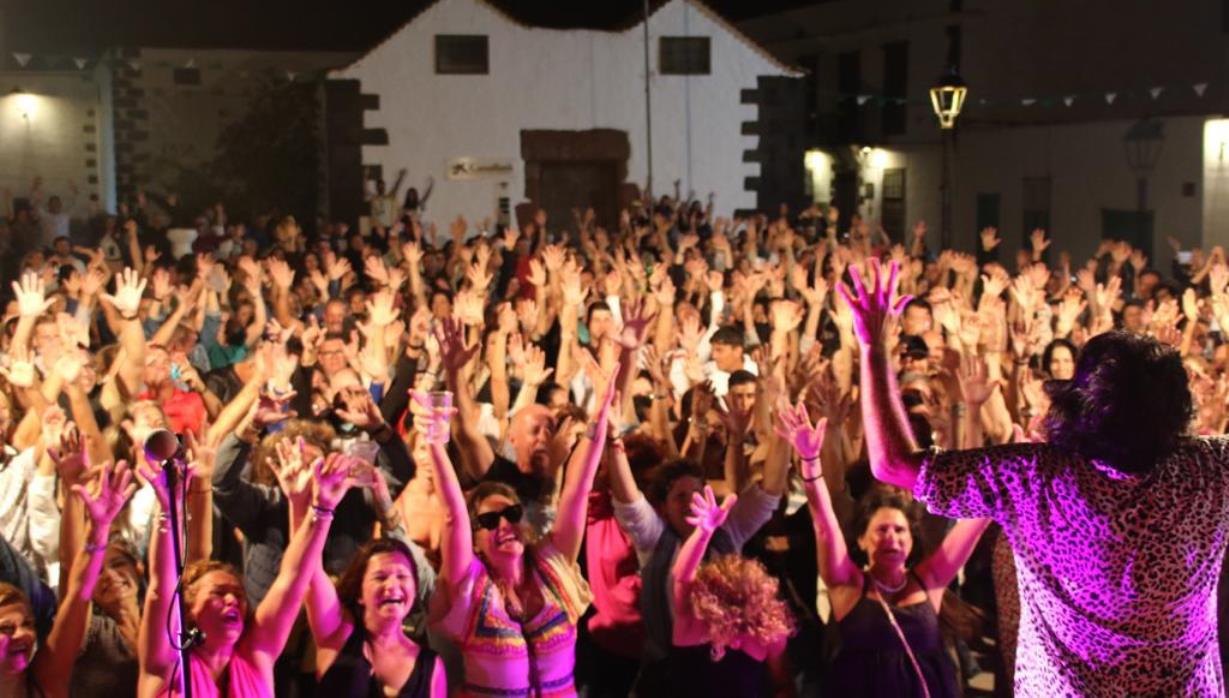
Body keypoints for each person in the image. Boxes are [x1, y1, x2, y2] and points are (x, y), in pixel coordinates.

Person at [840, 258, 1229, 696]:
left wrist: (873, 347)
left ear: (1082, 406)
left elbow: (892, 464)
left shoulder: (1034, 477)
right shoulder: (1211, 467)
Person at [419, 367, 615, 698]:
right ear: (475, 541)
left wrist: (602, 409)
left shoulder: (552, 565)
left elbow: (578, 490)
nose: (505, 525)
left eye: (511, 514)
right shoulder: (469, 585)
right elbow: (454, 515)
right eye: (490, 521)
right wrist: (436, 445)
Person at [777, 399, 989, 697]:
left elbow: (976, 520)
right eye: (881, 530)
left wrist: (1010, 472)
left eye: (899, 530)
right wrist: (811, 462)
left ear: (912, 540)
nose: (891, 537)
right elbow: (824, 527)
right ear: (861, 540)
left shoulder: (930, 581)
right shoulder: (847, 585)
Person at [136, 447, 354, 697]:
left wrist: (322, 508)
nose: (233, 601)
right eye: (219, 593)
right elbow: (162, 587)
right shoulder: (167, 663)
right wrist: (169, 509)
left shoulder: (255, 656)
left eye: (238, 595)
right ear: (188, 609)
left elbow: (292, 582)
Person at [0, 458, 136, 698]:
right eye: (6, 628)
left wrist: (98, 530)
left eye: (28, 624)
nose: (21, 634)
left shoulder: (46, 678)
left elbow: (79, 595)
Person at [667, 485, 796, 698]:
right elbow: (783, 684)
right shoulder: (694, 620)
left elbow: (682, 576)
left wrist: (704, 532)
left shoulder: (692, 620)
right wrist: (703, 531)